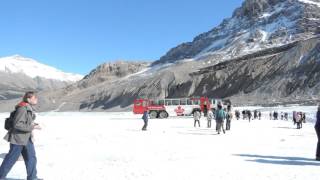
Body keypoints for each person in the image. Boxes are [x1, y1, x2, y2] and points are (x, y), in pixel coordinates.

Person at [0, 92, 42, 180]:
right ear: (28, 99)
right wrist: (32, 127)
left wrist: (33, 125)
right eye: (34, 98)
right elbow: (17, 124)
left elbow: (25, 122)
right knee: (11, 158)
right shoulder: (22, 108)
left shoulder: (28, 108)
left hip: (26, 138)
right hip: (18, 138)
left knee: (31, 157)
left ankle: (32, 177)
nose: (36, 99)